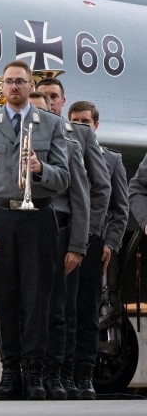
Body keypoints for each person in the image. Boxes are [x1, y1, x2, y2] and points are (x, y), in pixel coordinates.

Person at [0, 60, 69, 400]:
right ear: (2, 86)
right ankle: (10, 371)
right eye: (8, 81)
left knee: (37, 299)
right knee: (5, 299)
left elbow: (64, 178)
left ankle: (35, 372)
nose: (14, 87)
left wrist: (41, 169)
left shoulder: (52, 124)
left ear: (30, 86)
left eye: (20, 82)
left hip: (39, 219)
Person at [26, 92, 89, 400]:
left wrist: (77, 244)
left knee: (58, 311)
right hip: (23, 233)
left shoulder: (69, 145)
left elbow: (81, 197)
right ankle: (27, 374)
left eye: (44, 108)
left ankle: (55, 374)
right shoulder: (14, 144)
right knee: (25, 309)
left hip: (59, 234)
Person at [71, 100, 128, 399]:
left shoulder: (112, 159)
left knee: (88, 310)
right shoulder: (61, 154)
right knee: (61, 311)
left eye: (85, 121)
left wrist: (111, 243)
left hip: (94, 245)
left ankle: (84, 374)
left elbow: (120, 208)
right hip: (63, 243)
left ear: (96, 125)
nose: (80, 126)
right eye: (75, 121)